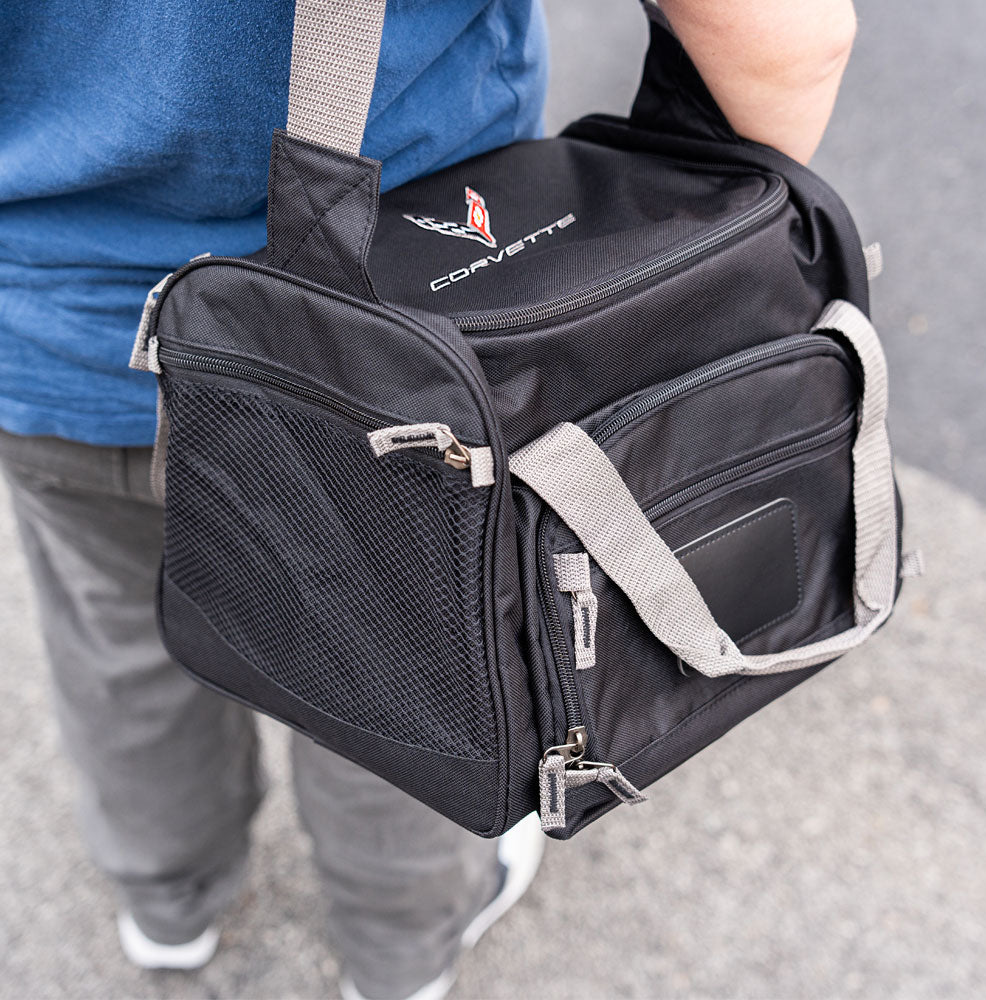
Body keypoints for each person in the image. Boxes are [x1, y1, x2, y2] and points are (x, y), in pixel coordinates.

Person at [0, 1, 856, 998]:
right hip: (399, 349)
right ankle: (398, 953)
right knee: (389, 673)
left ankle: (169, 907)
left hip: (55, 339)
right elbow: (781, 32)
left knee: (118, 641)